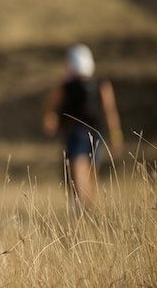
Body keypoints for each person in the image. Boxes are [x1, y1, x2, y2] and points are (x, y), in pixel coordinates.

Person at [42, 44, 123, 207]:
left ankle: (84, 213)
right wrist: (115, 136)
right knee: (84, 176)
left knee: (86, 177)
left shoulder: (71, 86)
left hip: (87, 135)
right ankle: (83, 212)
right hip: (84, 135)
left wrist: (50, 119)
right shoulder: (94, 85)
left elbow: (50, 107)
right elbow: (110, 112)